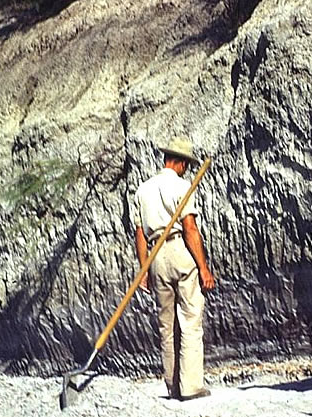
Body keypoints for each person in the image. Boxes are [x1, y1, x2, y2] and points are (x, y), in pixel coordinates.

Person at [133, 136, 216, 401]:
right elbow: (190, 228)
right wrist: (203, 268)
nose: (187, 170)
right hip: (179, 249)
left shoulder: (143, 190)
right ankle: (191, 386)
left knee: (166, 325)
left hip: (156, 256)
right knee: (190, 319)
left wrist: (144, 269)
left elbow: (139, 235)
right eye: (186, 165)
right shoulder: (182, 186)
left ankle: (173, 385)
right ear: (178, 162)